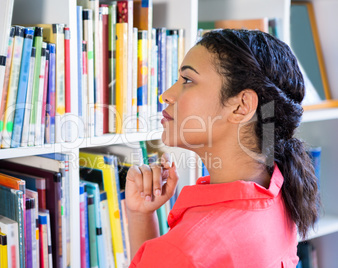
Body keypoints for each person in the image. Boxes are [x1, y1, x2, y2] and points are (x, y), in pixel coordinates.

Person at [125, 29, 320, 267]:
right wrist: (141, 215)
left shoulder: (188, 249)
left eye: (187, 80)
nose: (165, 95)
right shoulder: (279, 192)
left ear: (241, 106)